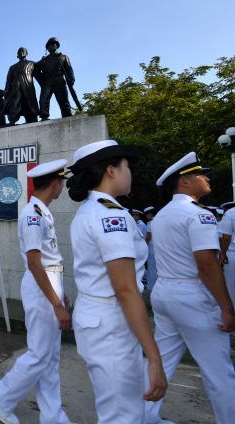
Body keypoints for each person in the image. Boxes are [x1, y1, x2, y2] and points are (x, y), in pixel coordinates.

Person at [66, 140, 167, 424]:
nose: (129, 173)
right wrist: (154, 357)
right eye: (126, 167)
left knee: (122, 408)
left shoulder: (94, 210)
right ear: (111, 170)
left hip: (102, 318)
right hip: (111, 322)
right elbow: (124, 289)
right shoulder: (111, 217)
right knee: (122, 416)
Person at [145, 152, 235, 424]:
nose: (207, 178)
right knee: (219, 371)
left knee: (161, 361)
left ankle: (140, 417)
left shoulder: (161, 216)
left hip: (165, 293)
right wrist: (226, 306)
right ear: (184, 181)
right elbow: (207, 265)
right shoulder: (199, 215)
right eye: (201, 174)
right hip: (191, 296)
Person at [0, 160, 73, 424]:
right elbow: (35, 262)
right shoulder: (33, 214)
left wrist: (61, 293)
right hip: (40, 286)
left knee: (50, 357)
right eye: (62, 181)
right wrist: (56, 304)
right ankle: (1, 397)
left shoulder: (42, 211)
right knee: (39, 354)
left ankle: (52, 415)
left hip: (48, 283)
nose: (62, 186)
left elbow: (48, 260)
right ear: (55, 183)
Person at [36, 37, 74, 120]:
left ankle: (67, 115)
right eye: (49, 45)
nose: (51, 46)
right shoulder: (44, 60)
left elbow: (69, 69)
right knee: (43, 100)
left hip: (59, 80)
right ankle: (44, 116)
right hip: (47, 82)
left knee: (63, 100)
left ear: (57, 46)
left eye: (53, 44)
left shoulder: (63, 57)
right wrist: (41, 80)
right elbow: (34, 68)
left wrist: (72, 79)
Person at [4, 47, 40, 125]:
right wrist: (6, 89)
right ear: (17, 55)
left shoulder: (32, 64)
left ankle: (31, 118)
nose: (21, 52)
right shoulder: (12, 67)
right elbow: (8, 80)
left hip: (28, 87)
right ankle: (12, 120)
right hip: (15, 89)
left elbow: (39, 77)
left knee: (29, 103)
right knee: (15, 103)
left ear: (26, 53)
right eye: (19, 51)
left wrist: (44, 84)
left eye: (23, 51)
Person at [218, 201, 235, 303]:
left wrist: (222, 254)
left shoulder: (231, 213)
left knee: (230, 288)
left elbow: (225, 238)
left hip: (232, 255)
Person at [143, 206, 158, 290]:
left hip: (151, 248)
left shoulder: (150, 223)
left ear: (150, 214)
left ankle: (151, 286)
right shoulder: (159, 220)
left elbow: (148, 237)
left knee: (151, 267)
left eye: (147, 215)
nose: (146, 216)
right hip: (159, 248)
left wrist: (144, 246)